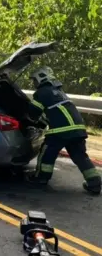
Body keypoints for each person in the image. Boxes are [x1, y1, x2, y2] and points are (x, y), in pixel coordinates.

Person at [27, 66, 101, 195]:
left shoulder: (42, 92)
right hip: (78, 129)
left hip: (61, 130)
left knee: (47, 154)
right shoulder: (58, 91)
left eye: (34, 80)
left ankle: (41, 178)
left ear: (41, 78)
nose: (34, 83)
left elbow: (33, 113)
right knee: (80, 157)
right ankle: (95, 184)